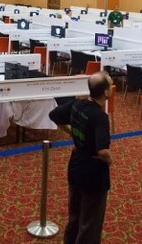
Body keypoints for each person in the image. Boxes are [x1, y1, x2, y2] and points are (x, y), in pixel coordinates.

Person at [49, 71, 112, 244]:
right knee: (90, 223)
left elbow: (54, 115)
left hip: (76, 166)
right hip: (93, 174)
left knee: (74, 216)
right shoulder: (100, 117)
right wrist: (109, 159)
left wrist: (73, 133)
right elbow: (102, 151)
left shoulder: (77, 104)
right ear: (106, 92)